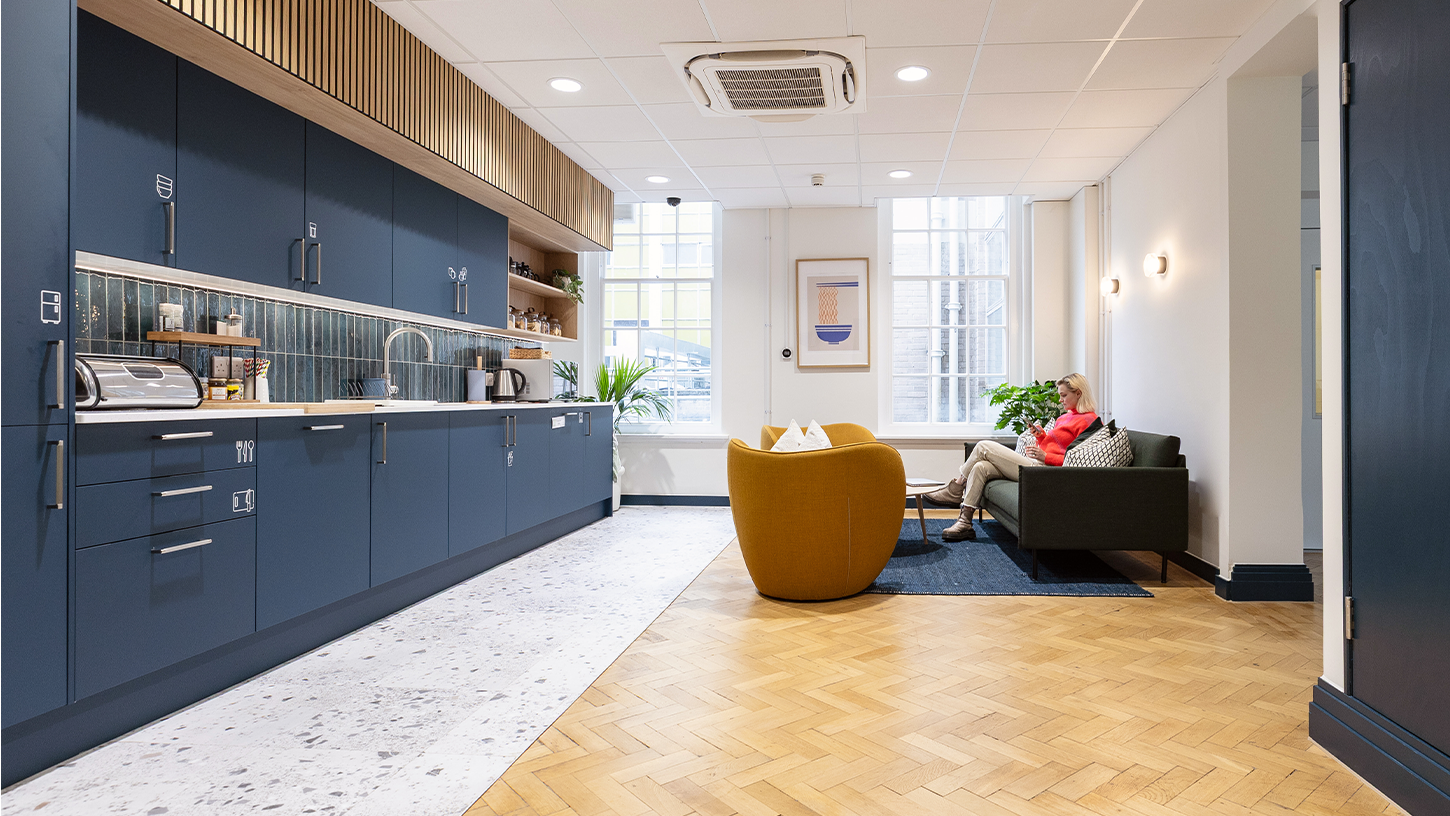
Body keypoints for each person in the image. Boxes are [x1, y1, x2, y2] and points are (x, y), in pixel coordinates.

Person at [923, 373, 1100, 541]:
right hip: (1036, 464)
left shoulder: (1089, 421)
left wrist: (1046, 458)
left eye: (1063, 395)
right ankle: (965, 523)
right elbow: (1056, 446)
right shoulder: (1065, 417)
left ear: (1078, 393)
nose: (1060, 400)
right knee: (980, 467)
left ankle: (956, 487)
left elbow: (1076, 459)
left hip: (1046, 472)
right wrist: (1040, 436)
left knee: (983, 446)